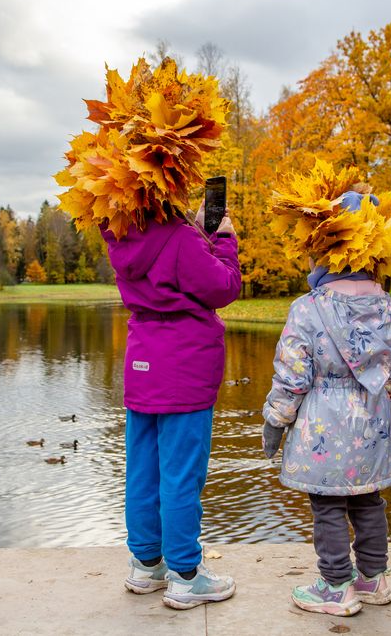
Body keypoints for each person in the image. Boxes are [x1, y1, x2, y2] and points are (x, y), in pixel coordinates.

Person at [261, 190, 391, 616]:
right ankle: (373, 578)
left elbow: (292, 375)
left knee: (327, 503)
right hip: (372, 422)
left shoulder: (308, 309)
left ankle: (336, 585)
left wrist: (275, 420)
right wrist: (386, 404)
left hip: (324, 426)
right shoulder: (385, 305)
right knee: (368, 499)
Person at [103, 203, 242, 610]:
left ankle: (146, 565)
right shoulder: (179, 238)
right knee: (181, 474)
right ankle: (185, 575)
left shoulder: (122, 234)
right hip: (184, 366)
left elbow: (165, 269)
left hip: (142, 363)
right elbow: (224, 287)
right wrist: (222, 238)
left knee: (142, 470)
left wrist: (195, 230)